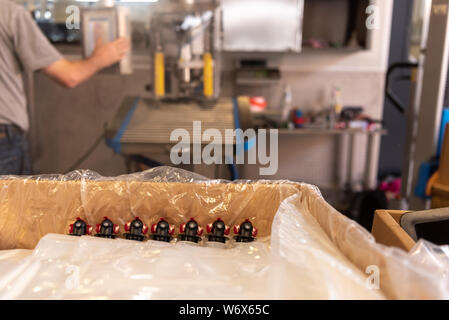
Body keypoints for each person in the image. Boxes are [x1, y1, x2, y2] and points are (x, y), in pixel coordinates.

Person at [0, 0, 130, 175]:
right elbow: (69, 76)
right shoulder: (9, 14)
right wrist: (101, 58)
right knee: (12, 202)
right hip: (4, 141)